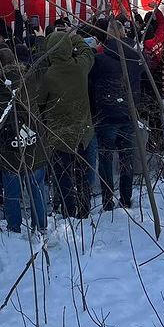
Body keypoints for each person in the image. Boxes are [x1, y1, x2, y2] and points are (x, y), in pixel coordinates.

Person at [0, 47, 48, 235]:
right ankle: (41, 226)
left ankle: (14, 227)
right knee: (37, 189)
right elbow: (42, 63)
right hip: (34, 143)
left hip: (9, 147)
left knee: (12, 192)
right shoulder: (29, 78)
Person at [38, 30, 95, 219]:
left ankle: (68, 210)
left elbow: (40, 102)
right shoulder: (80, 67)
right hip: (83, 132)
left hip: (59, 134)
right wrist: (74, 36)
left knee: (63, 176)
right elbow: (87, 51)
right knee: (82, 172)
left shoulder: (49, 75)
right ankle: (84, 208)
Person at [88, 21, 144, 211]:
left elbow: (91, 81)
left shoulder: (101, 60)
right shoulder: (136, 58)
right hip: (128, 112)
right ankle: (126, 197)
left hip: (107, 114)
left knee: (106, 159)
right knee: (126, 156)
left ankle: (107, 199)